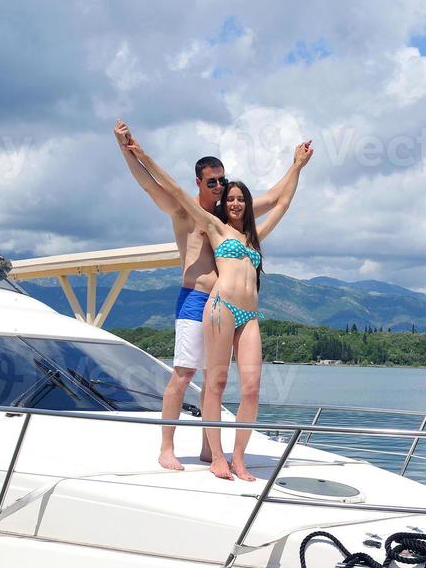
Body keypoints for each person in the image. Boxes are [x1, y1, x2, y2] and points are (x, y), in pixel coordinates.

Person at [113, 120, 307, 471]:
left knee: (213, 381)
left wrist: (295, 165)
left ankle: (209, 449)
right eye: (213, 182)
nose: (220, 187)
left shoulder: (228, 216)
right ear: (199, 183)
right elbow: (152, 185)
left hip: (229, 305)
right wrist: (131, 152)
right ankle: (167, 446)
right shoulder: (185, 212)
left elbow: (277, 198)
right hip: (195, 298)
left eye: (223, 180)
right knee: (184, 374)